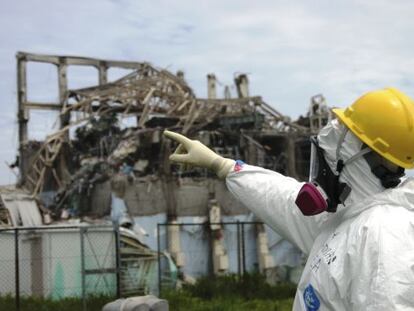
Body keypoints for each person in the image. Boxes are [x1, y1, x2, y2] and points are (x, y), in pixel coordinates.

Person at [164, 87, 414, 310]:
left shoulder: (383, 236)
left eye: (342, 131)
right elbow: (281, 198)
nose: (330, 136)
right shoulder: (350, 215)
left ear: (357, 151)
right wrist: (223, 165)